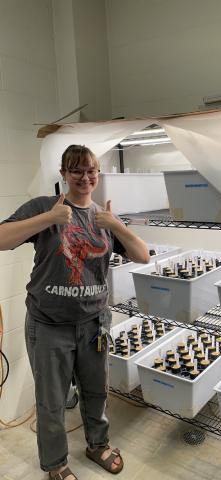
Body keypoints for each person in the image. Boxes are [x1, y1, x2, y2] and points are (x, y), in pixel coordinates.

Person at [0, 145, 150, 480]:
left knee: (97, 391)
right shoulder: (44, 207)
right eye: (76, 171)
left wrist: (118, 226)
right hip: (49, 325)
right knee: (51, 401)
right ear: (64, 174)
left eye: (91, 171)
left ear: (98, 174)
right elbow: (1, 239)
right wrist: (48, 219)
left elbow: (144, 255)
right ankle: (56, 465)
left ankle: (98, 445)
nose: (85, 177)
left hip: (94, 324)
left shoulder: (104, 218)